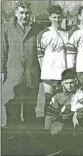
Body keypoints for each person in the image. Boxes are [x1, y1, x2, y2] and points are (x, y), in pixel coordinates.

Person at [2, 1, 43, 129]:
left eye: (27, 13)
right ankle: (12, 139)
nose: (24, 16)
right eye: (21, 13)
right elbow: (1, 51)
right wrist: (1, 70)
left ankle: (28, 142)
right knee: (12, 107)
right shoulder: (6, 28)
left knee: (30, 110)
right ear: (16, 13)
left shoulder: (37, 28)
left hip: (32, 75)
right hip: (13, 75)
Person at [44, 68, 83, 154]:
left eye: (71, 83)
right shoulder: (57, 94)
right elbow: (51, 113)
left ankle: (79, 148)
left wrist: (72, 109)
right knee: (54, 129)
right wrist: (47, 131)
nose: (70, 85)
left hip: (76, 120)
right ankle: (54, 147)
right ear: (62, 82)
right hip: (62, 119)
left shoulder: (79, 92)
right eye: (67, 83)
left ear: (75, 81)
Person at [37, 4, 68, 118]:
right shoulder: (43, 34)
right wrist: (44, 70)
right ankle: (47, 123)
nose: (57, 20)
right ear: (49, 17)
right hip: (49, 73)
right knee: (48, 99)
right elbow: (40, 55)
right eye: (54, 17)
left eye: (59, 17)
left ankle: (60, 124)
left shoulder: (66, 34)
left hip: (62, 72)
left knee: (62, 99)